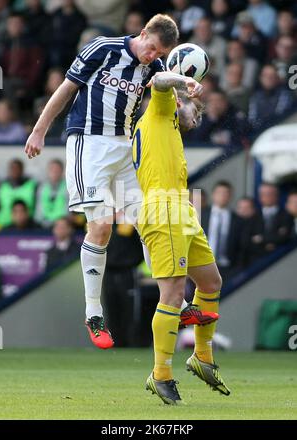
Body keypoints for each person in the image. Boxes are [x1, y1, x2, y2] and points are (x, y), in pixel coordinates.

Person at [24, 14, 180, 350]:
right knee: (101, 227)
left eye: (159, 53)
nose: (152, 56)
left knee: (150, 220)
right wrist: (39, 130)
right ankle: (94, 313)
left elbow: (168, 95)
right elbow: (66, 89)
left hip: (125, 147)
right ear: (142, 34)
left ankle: (175, 301)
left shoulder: (154, 67)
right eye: (151, 48)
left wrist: (187, 89)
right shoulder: (103, 48)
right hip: (89, 144)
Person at [132, 71, 230, 405]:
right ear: (176, 100)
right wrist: (181, 81)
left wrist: (186, 96)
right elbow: (159, 79)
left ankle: (201, 356)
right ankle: (160, 374)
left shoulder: (170, 128)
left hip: (181, 209)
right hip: (163, 210)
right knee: (173, 294)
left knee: (211, 282)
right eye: (192, 106)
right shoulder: (158, 110)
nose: (196, 114)